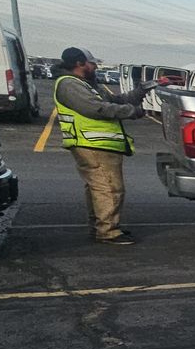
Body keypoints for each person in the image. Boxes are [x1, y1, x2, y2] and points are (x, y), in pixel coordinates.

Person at [52, 46, 146, 245]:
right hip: (92, 144)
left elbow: (115, 100)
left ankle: (100, 226)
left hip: (97, 144)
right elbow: (97, 109)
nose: (95, 66)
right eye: (92, 63)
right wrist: (133, 112)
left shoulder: (86, 84)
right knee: (109, 188)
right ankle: (108, 231)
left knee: (98, 187)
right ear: (79, 63)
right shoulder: (69, 84)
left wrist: (142, 90)